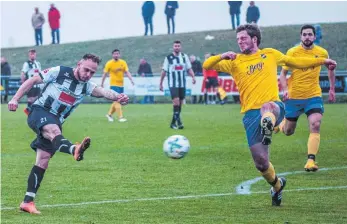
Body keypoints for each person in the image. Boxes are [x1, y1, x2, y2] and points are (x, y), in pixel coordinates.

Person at [203, 24, 336, 206]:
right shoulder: (235, 61)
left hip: (274, 106)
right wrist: (222, 56)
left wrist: (322, 61)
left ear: (254, 39)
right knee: (261, 163)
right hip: (250, 115)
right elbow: (206, 65)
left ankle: (269, 123)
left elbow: (295, 62)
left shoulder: (270, 54)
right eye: (238, 39)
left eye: (243, 38)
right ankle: (277, 185)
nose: (239, 42)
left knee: (268, 107)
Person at [7, 53, 129, 215]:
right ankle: (74, 149)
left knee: (42, 160)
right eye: (86, 70)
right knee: (55, 132)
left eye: (92, 72)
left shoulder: (86, 86)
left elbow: (102, 91)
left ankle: (27, 202)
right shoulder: (60, 72)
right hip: (39, 111)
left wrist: (118, 96)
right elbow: (33, 80)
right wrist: (15, 98)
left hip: (56, 121)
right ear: (78, 64)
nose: (88, 74)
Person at [276, 24, 336, 172]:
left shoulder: (322, 52)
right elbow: (283, 74)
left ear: (315, 37)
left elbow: (330, 70)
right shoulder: (292, 52)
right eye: (304, 34)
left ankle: (311, 161)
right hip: (294, 96)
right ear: (300, 36)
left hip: (313, 95)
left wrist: (332, 89)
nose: (307, 37)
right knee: (288, 132)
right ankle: (281, 124)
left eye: (310, 34)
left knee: (315, 124)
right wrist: (285, 90)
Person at [160, 40, 196, 129]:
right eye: (175, 46)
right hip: (173, 84)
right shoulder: (168, 58)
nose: (177, 47)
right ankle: (176, 122)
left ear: (181, 47)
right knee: (176, 102)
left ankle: (175, 123)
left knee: (179, 104)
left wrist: (193, 77)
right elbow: (164, 71)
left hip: (182, 84)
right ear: (173, 47)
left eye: (178, 46)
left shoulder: (184, 57)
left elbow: (189, 68)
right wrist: (160, 83)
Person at [101, 49, 134, 122]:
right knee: (118, 100)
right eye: (115, 54)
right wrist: (102, 83)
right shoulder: (109, 63)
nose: (116, 55)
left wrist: (131, 79)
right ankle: (120, 117)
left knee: (116, 101)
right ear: (112, 55)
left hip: (121, 85)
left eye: (117, 54)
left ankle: (109, 114)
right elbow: (105, 74)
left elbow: (127, 72)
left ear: (119, 54)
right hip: (113, 85)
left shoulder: (123, 62)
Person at [21, 49, 42, 115]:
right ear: (29, 55)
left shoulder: (38, 63)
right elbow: (23, 73)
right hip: (30, 84)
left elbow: (40, 73)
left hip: (37, 84)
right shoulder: (26, 64)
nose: (33, 55)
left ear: (35, 55)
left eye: (34, 54)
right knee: (31, 99)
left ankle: (31, 112)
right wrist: (23, 83)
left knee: (37, 98)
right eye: (31, 54)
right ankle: (28, 112)